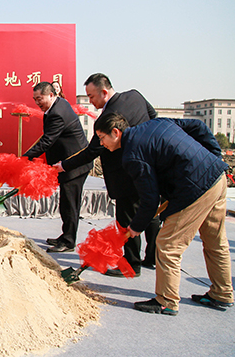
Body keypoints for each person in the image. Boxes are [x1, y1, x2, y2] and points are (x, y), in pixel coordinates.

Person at [94, 113, 233, 315]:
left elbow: (150, 199)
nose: (101, 143)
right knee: (215, 241)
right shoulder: (158, 123)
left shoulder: (132, 154)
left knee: (168, 244)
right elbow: (198, 125)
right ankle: (222, 293)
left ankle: (166, 300)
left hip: (194, 189)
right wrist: (212, 156)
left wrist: (135, 227)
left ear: (115, 132)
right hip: (217, 177)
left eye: (102, 137)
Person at [54, 73, 160, 276]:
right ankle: (152, 257)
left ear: (104, 92)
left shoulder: (107, 118)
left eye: (91, 96)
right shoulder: (135, 95)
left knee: (126, 218)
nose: (91, 101)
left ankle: (132, 264)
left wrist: (64, 165)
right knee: (150, 212)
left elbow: (91, 152)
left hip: (124, 175)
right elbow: (153, 116)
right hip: (148, 167)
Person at [24, 82, 92, 252]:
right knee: (66, 203)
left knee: (70, 204)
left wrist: (26, 157)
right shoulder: (57, 105)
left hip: (74, 164)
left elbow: (47, 141)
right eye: (35, 99)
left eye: (40, 98)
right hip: (67, 162)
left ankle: (68, 242)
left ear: (51, 95)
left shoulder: (57, 113)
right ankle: (65, 235)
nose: (37, 103)